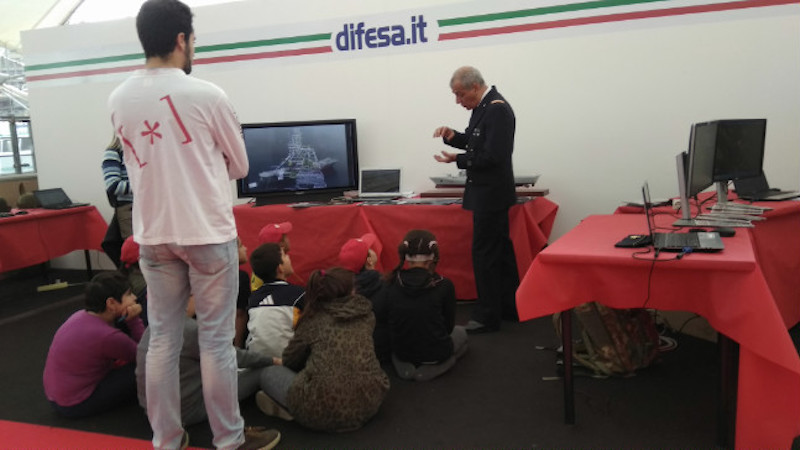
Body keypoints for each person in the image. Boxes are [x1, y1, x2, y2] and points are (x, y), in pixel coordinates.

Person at [107, 1, 279, 448]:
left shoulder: (118, 98)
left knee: (162, 338)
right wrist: (205, 161)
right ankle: (229, 439)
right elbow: (240, 165)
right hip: (206, 232)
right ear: (182, 39)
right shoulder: (207, 94)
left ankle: (167, 439)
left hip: (153, 236)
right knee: (217, 343)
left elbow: (135, 162)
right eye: (193, 40)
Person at [433, 65, 520, 333]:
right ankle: (509, 308)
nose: (458, 101)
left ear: (474, 87)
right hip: (488, 193)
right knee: (500, 254)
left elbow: (493, 156)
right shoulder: (483, 108)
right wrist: (453, 137)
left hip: (490, 195)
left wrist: (458, 160)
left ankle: (486, 316)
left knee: (486, 256)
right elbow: (475, 142)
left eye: (459, 94)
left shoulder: (497, 109)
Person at [256, 267, 390, 432]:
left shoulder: (312, 321)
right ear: (349, 292)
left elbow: (290, 360)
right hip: (369, 403)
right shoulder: (367, 316)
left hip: (320, 411)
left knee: (267, 373)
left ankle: (292, 409)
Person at [136, 296, 280, 426]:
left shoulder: (153, 327)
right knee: (262, 371)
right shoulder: (189, 329)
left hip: (153, 411)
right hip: (185, 412)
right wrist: (272, 360)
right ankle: (295, 405)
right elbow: (234, 356)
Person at [43, 272, 144, 418]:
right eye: (128, 295)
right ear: (111, 303)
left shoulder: (80, 315)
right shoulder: (107, 336)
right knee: (149, 368)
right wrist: (134, 319)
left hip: (56, 397)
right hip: (75, 404)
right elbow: (146, 355)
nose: (134, 298)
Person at [377, 229, 468, 381]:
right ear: (433, 256)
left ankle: (404, 365)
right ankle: (438, 365)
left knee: (400, 346)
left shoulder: (390, 282)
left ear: (406, 255)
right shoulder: (445, 285)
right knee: (461, 333)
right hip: (435, 351)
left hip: (402, 351)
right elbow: (448, 327)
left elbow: (388, 319)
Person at [246, 242, 305, 358]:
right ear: (280, 268)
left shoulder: (254, 298)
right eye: (284, 255)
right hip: (288, 360)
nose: (288, 257)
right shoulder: (299, 294)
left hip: (256, 358)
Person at [338, 233, 389, 362]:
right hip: (383, 352)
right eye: (370, 249)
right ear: (369, 260)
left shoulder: (338, 291)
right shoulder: (387, 287)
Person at [101, 133, 134, 239]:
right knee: (136, 250)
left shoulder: (145, 152)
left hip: (150, 207)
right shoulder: (114, 152)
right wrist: (145, 186)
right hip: (129, 209)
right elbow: (113, 185)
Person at [251, 221, 293, 291]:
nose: (288, 239)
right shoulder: (266, 271)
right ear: (281, 244)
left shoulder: (260, 266)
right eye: (285, 236)